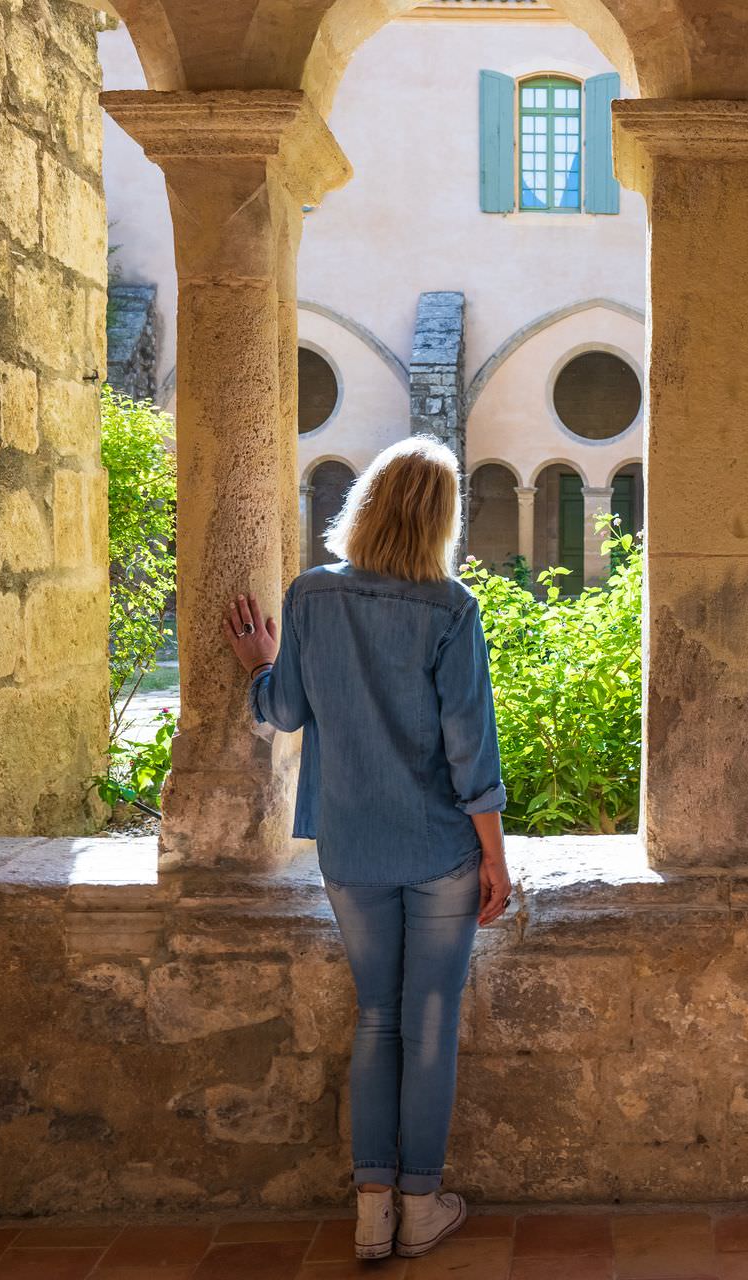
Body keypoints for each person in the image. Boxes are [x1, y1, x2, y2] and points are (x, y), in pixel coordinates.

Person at [222, 435, 510, 1261]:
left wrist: (261, 667)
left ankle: (370, 1212)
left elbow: (282, 712)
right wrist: (494, 854)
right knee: (428, 1020)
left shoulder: (311, 598)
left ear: (369, 505)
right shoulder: (450, 608)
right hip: (438, 849)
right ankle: (421, 1205)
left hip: (350, 849)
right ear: (441, 521)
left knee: (376, 1016)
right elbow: (470, 750)